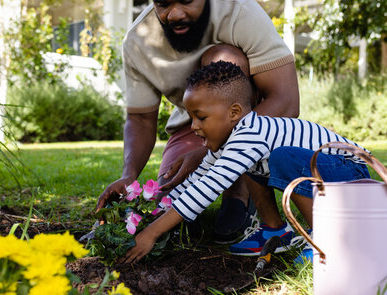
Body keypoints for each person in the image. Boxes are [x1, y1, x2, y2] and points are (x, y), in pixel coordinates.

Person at [122, 61, 371, 264]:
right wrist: (151, 214)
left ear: (234, 112)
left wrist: (152, 233)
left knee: (283, 157)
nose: (194, 127)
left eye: (201, 118)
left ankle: (326, 239)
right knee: (254, 165)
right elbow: (197, 180)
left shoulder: (250, 135)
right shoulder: (233, 139)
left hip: (349, 172)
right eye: (191, 118)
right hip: (328, 173)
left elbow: (206, 189)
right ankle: (275, 230)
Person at [96, 0, 300, 243]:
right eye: (163, 3)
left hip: (252, 122)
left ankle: (240, 190)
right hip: (193, 126)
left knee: (223, 57)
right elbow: (140, 119)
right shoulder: (138, 41)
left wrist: (210, 154)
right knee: (166, 207)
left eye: (187, 0)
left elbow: (285, 100)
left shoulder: (240, 12)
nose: (175, 14)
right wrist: (129, 175)